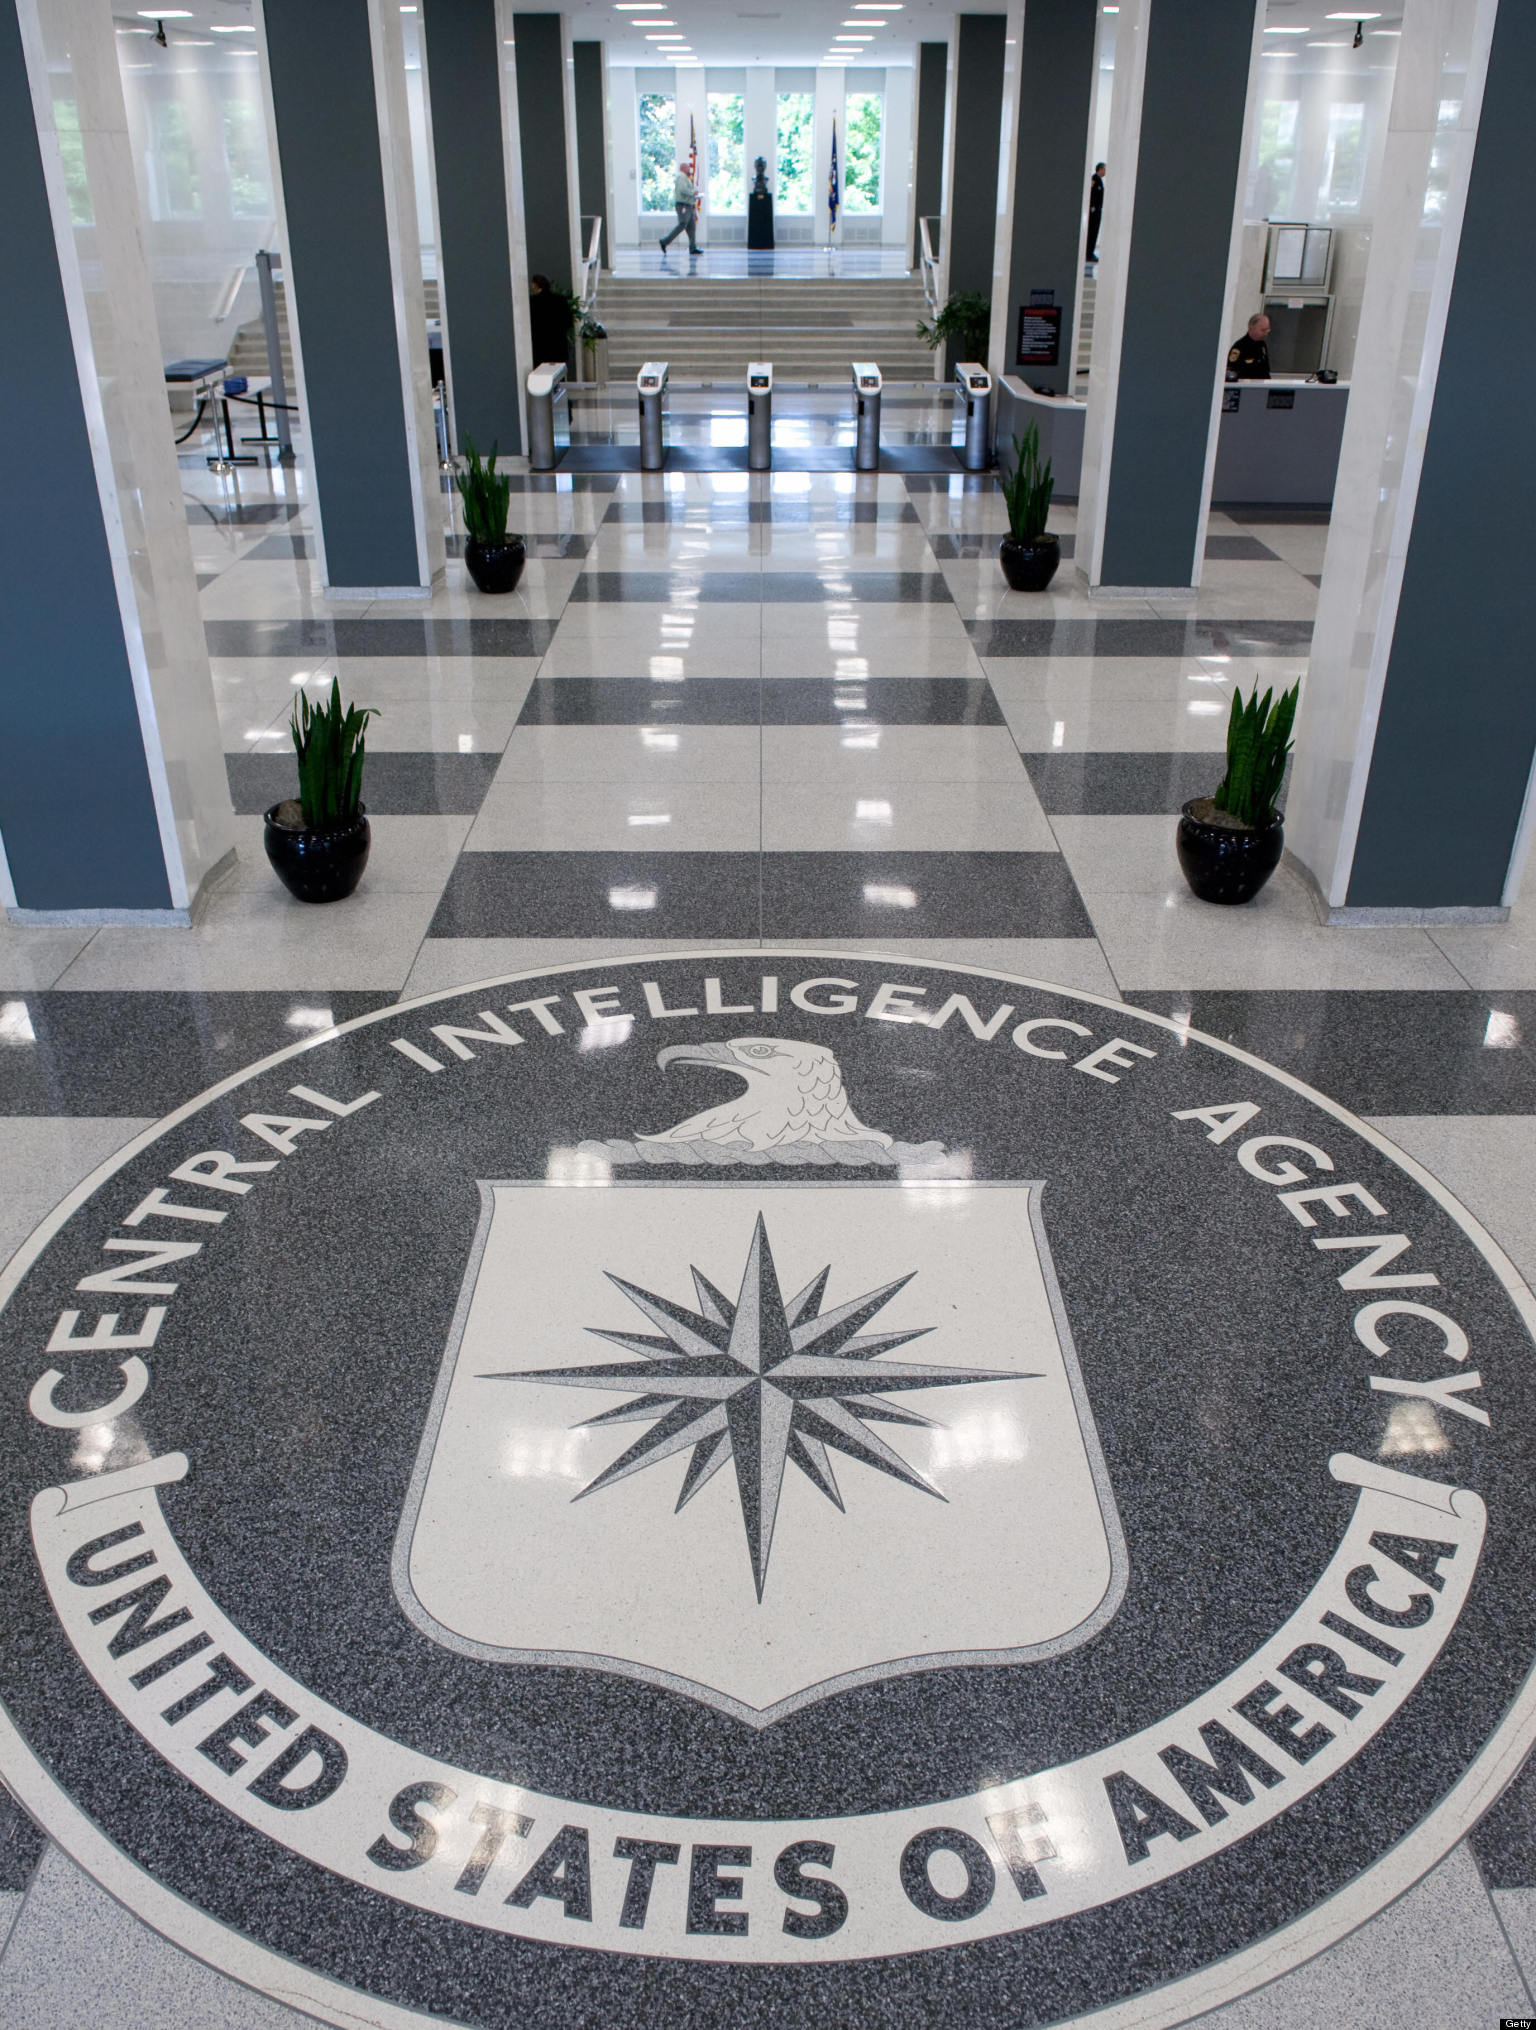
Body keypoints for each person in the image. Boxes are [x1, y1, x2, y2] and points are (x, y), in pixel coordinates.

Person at [659, 163, 702, 257]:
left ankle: (693, 247)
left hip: (689, 205)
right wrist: (693, 193)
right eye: (687, 167)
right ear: (683, 168)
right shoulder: (681, 177)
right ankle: (664, 241)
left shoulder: (685, 178)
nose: (689, 169)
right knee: (682, 224)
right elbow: (683, 190)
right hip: (683, 205)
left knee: (692, 227)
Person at [528, 275, 570, 368]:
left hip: (540, 346)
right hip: (558, 344)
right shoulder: (560, 299)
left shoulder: (533, 302)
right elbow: (568, 321)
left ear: (535, 285)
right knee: (558, 374)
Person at [1226, 313, 1272, 381]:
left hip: (1262, 388)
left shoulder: (1262, 345)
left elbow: (1266, 371)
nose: (1266, 333)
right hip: (1245, 388)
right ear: (1252, 328)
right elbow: (1231, 372)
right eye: (1263, 330)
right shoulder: (1239, 347)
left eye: (1267, 330)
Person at [1086, 162, 1105, 263]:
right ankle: (1088, 254)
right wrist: (1092, 207)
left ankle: (1090, 252)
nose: (1105, 171)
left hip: (1097, 210)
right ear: (1100, 169)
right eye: (1104, 169)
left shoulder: (1099, 180)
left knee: (1095, 232)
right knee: (1092, 232)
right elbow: (1090, 193)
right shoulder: (1094, 179)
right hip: (1093, 211)